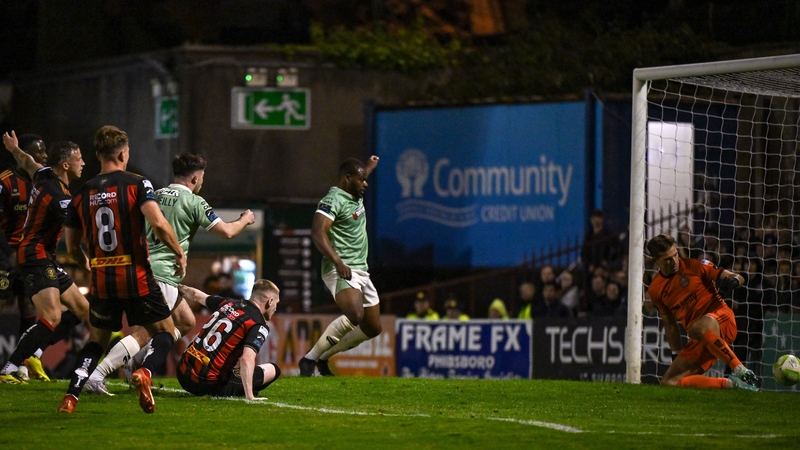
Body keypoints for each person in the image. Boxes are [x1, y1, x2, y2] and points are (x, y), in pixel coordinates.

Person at [83, 153, 255, 395]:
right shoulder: (194, 202)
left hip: (139, 269)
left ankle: (135, 363)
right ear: (195, 177)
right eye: (202, 177)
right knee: (145, 333)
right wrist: (245, 219)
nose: (202, 182)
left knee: (186, 321)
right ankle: (98, 374)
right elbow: (226, 232)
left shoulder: (153, 194)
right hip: (162, 274)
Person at [58, 125, 187, 414]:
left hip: (103, 279)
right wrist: (179, 253)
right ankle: (146, 372)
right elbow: (158, 223)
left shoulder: (81, 194)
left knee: (96, 341)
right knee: (166, 330)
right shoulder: (137, 184)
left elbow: (71, 247)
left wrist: (89, 266)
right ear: (123, 153)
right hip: (136, 276)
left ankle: (71, 397)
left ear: (97, 155)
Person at [0, 133, 88, 384]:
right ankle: (9, 368)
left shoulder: (42, 173)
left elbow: (26, 161)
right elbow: (76, 241)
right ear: (66, 165)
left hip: (43, 257)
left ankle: (34, 354)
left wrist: (15, 149)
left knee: (82, 309)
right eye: (79, 159)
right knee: (51, 317)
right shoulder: (59, 198)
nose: (83, 163)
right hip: (34, 256)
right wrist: (90, 263)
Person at [298, 156, 381, 377]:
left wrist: (370, 167)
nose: (366, 184)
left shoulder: (354, 192)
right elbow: (317, 233)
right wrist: (338, 262)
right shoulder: (333, 200)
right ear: (347, 179)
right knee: (355, 314)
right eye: (362, 180)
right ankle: (309, 359)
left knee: (373, 328)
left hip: (361, 269)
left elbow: (360, 174)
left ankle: (323, 358)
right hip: (341, 267)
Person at [646, 233, 758, 391]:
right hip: (700, 337)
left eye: (676, 255)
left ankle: (740, 370)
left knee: (696, 327)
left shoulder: (696, 266)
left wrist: (733, 281)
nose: (675, 261)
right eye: (668, 259)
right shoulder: (655, 290)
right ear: (655, 261)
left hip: (722, 320)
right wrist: (676, 353)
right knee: (669, 381)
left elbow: (737, 277)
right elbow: (670, 324)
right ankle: (734, 385)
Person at [0, 133, 51, 380]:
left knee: (28, 306)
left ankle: (20, 365)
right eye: (40, 152)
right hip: (4, 255)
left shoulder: (40, 182)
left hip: (29, 256)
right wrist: (9, 254)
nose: (45, 156)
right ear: (26, 155)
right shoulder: (5, 183)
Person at [176, 280, 280, 400]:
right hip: (206, 383)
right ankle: (244, 391)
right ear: (270, 301)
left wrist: (177, 287)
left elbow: (195, 295)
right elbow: (247, 358)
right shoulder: (258, 323)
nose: (276, 308)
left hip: (182, 373)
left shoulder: (229, 303)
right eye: (276, 303)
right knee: (273, 369)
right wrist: (250, 396)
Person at [581, 209, 617, 275]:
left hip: (605, 269)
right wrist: (589, 265)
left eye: (598, 217)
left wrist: (607, 262)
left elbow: (616, 249)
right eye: (594, 218)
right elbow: (584, 254)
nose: (596, 220)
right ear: (591, 220)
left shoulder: (608, 235)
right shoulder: (589, 236)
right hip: (591, 270)